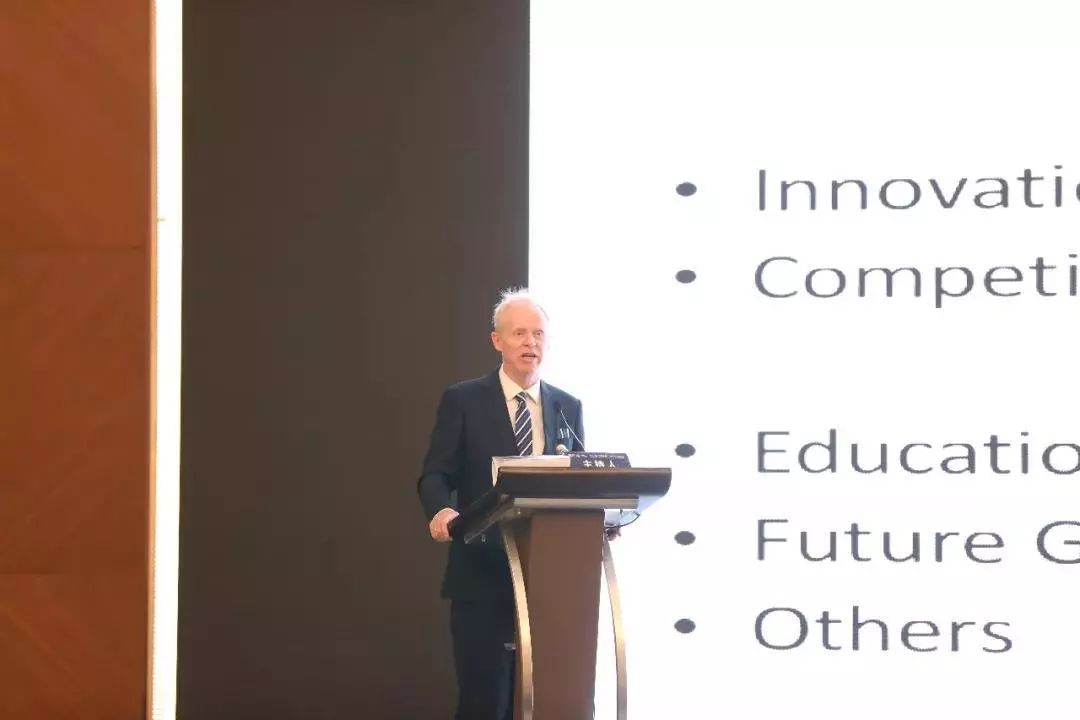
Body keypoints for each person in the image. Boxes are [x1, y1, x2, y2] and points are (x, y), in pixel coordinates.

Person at [417, 288, 585, 720]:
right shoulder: (464, 400)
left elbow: (580, 480)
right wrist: (441, 510)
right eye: (520, 333)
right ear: (497, 341)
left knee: (546, 700)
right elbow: (435, 474)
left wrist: (601, 518)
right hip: (483, 572)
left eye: (539, 334)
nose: (531, 343)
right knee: (486, 701)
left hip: (551, 580)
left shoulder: (567, 407)